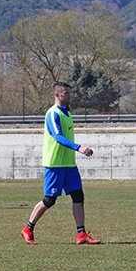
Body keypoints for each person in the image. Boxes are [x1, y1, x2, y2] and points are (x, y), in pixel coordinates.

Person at [20, 82, 100, 245]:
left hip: (69, 164)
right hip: (55, 164)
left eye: (70, 92)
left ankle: (81, 234)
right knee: (49, 200)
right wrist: (79, 147)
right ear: (56, 94)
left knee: (78, 196)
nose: (69, 95)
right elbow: (58, 137)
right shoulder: (53, 113)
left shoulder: (67, 114)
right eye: (66, 93)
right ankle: (28, 228)